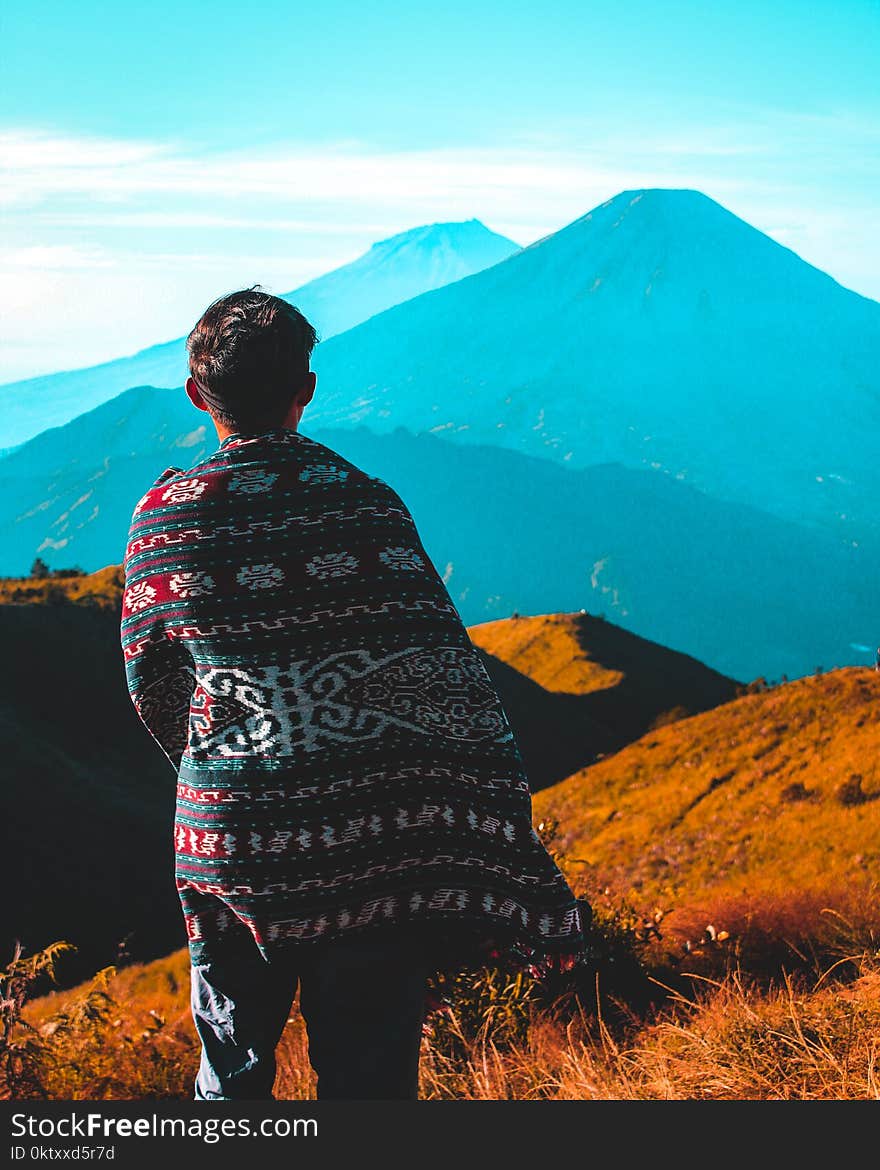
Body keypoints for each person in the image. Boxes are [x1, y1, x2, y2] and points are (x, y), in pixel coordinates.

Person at [120, 287, 587, 1101]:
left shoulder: (164, 522)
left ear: (198, 396)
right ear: (306, 386)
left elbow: (152, 683)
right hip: (375, 848)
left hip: (231, 842)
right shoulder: (368, 503)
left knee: (231, 1076)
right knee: (369, 1085)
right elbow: (443, 677)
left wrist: (228, 763)